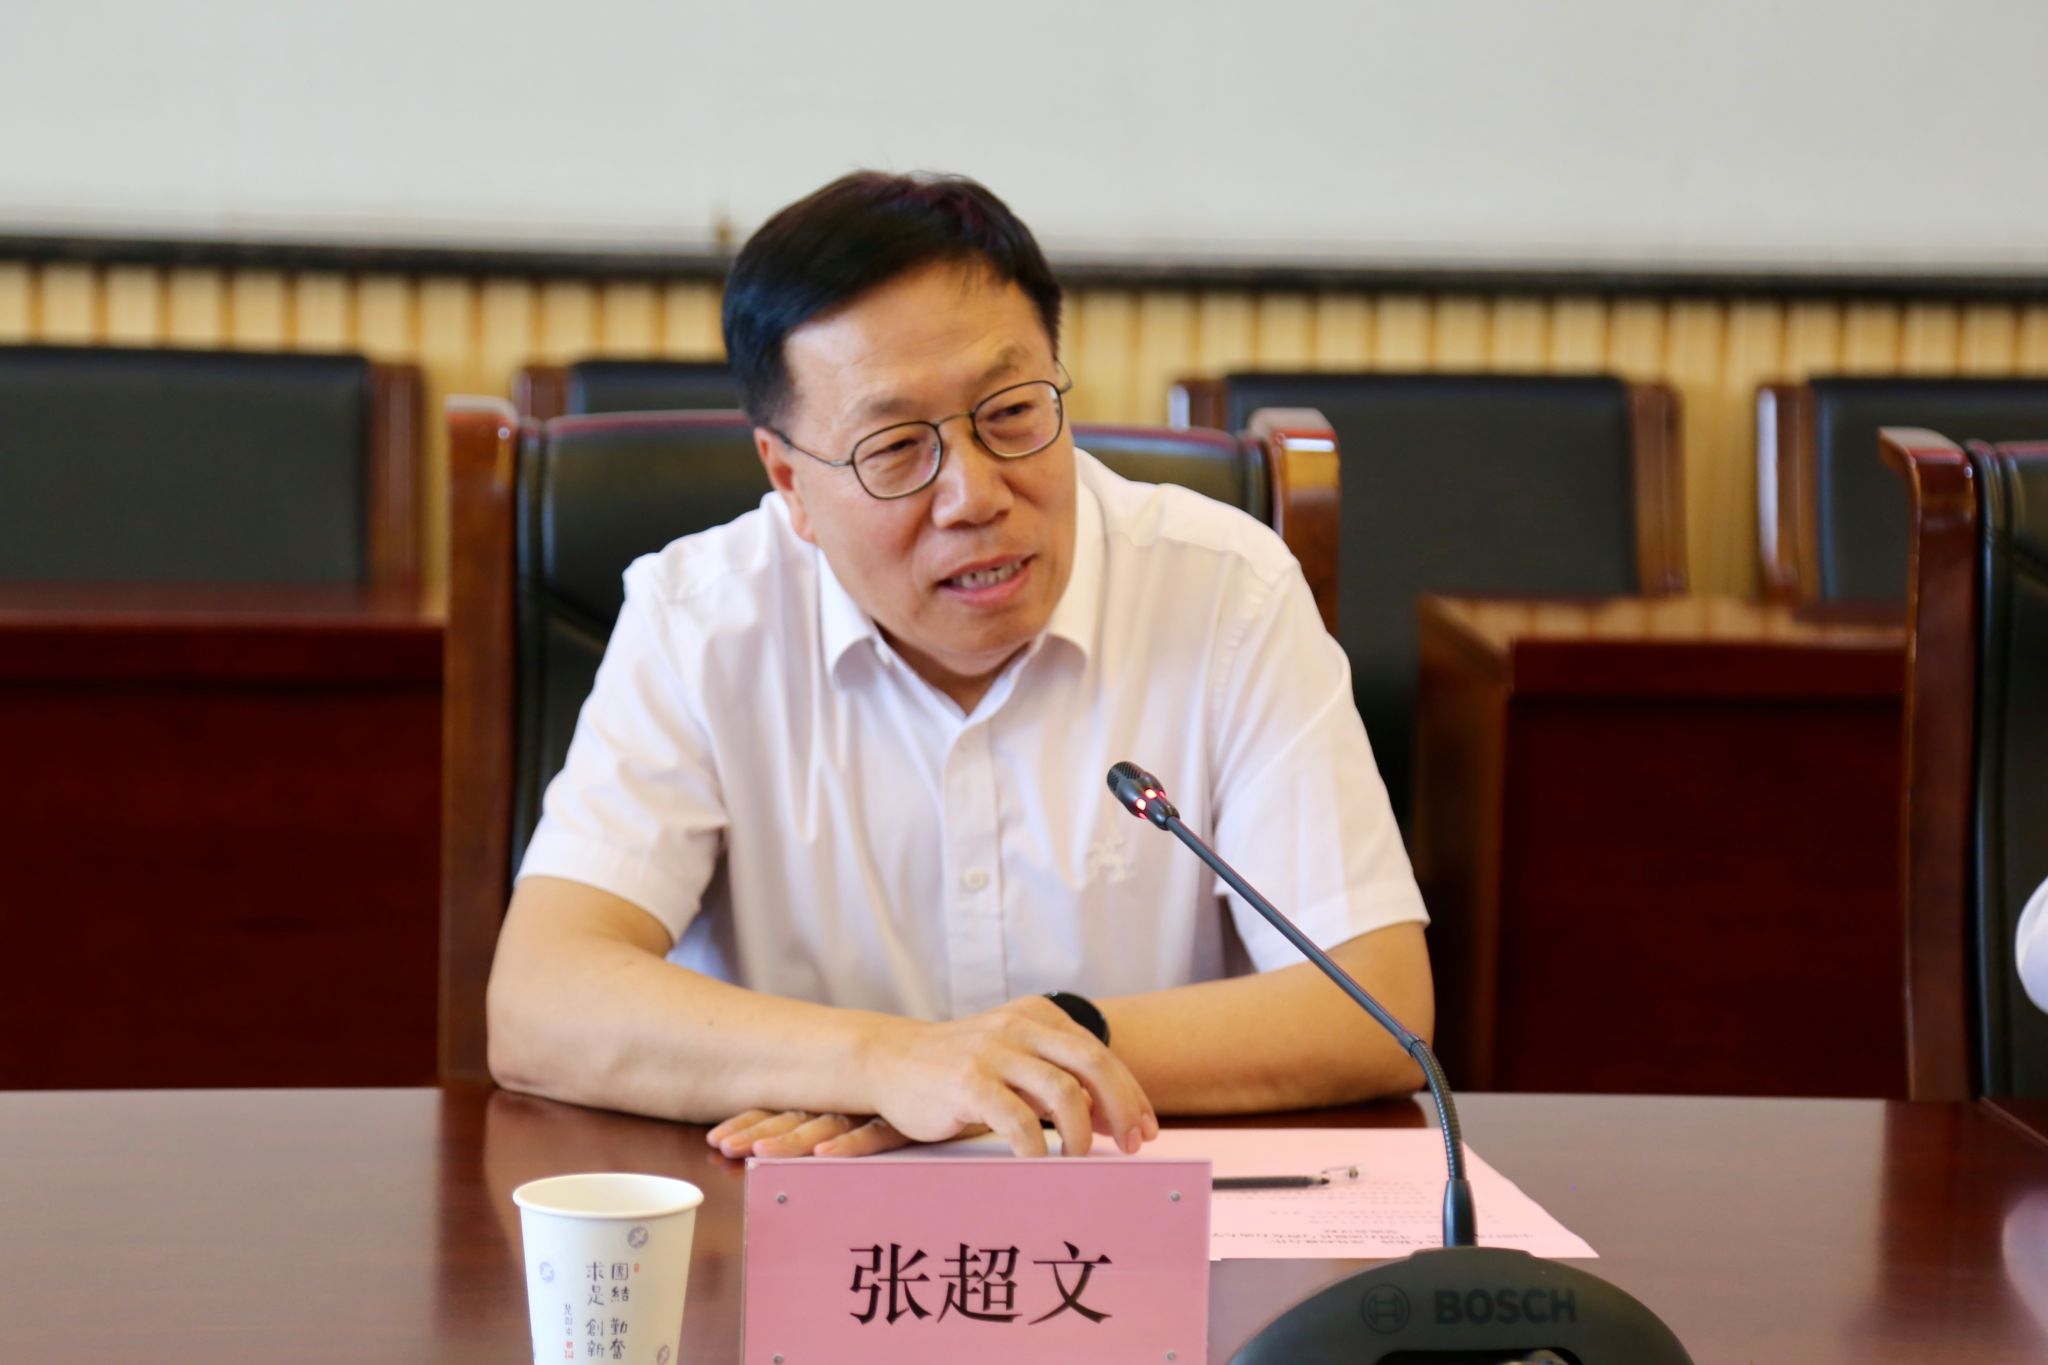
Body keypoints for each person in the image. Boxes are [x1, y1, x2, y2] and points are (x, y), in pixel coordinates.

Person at [486, 171, 1433, 1162]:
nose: (974, 495)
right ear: (789, 480)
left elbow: (1376, 1003)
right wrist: (882, 1064)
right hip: (793, 1217)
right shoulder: (700, 620)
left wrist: (1021, 1058)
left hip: (1133, 1217)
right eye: (896, 448)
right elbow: (539, 1001)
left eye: (1012, 411)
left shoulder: (1222, 589)